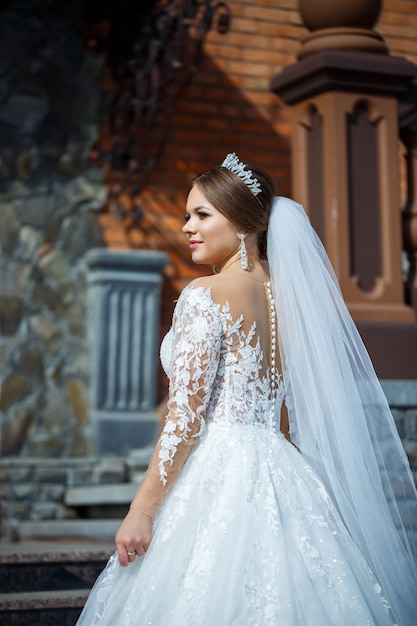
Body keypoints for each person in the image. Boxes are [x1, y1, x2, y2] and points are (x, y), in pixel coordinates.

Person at [77, 153, 417, 625]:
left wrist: (142, 509)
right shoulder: (292, 299)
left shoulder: (204, 295)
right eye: (186, 215)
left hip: (219, 470)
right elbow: (282, 410)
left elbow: (185, 419)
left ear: (240, 224)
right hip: (282, 468)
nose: (186, 228)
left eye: (201, 214)